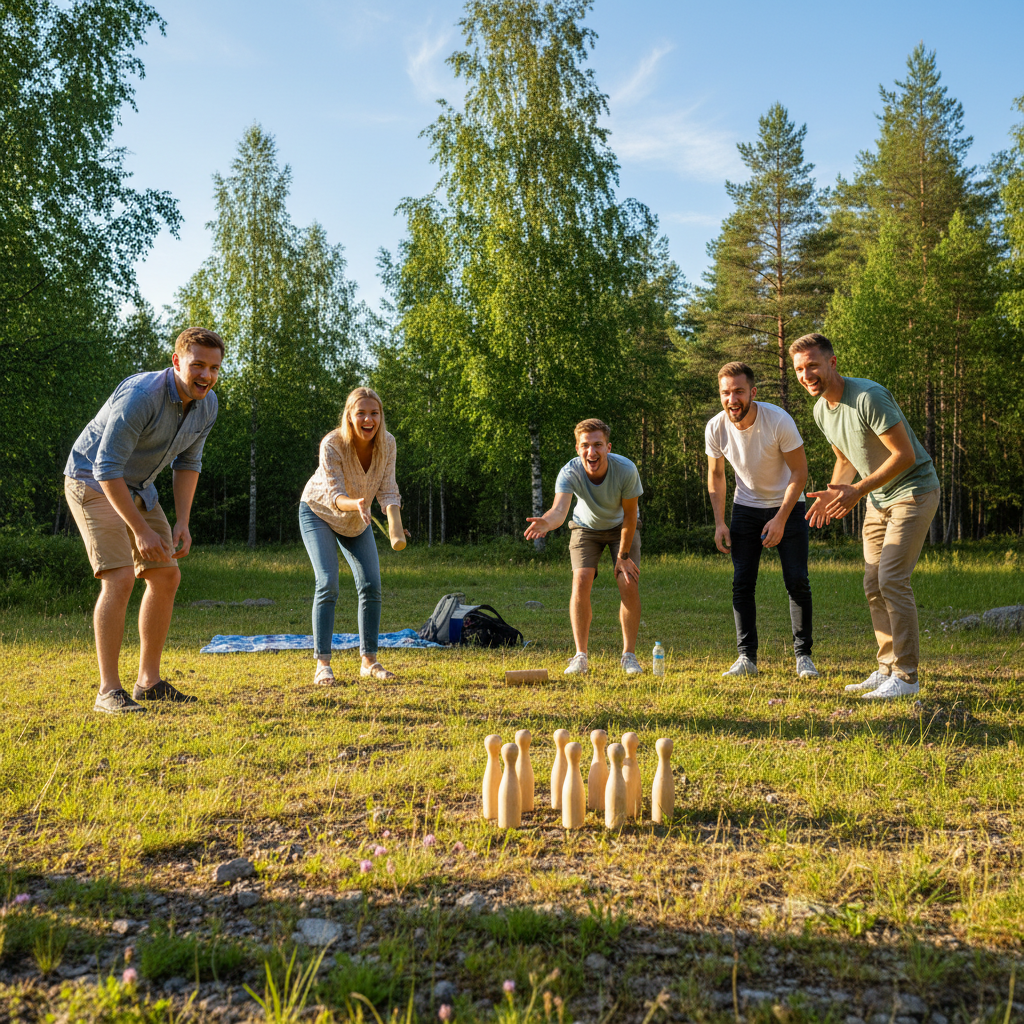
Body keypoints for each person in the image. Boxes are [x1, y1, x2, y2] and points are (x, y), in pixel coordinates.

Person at [64, 327, 224, 713]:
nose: (205, 375)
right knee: (119, 577)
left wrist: (182, 520)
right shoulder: (142, 395)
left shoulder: (208, 404)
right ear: (177, 362)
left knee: (166, 575)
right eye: (197, 365)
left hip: (139, 485)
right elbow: (105, 467)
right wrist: (139, 530)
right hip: (93, 479)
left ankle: (148, 683)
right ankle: (108, 691)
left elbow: (189, 462)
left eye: (214, 368)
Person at [790, 333, 940, 700]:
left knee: (891, 578)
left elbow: (904, 455)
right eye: (799, 369)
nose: (806, 374)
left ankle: (907, 678)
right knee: (872, 583)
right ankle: (886, 667)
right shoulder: (821, 410)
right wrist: (834, 492)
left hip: (914, 491)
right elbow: (844, 459)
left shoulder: (867, 397)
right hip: (877, 499)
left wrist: (857, 491)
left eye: (812, 365)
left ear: (832, 363)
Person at [706, 362, 817, 679]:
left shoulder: (778, 420)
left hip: (789, 504)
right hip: (746, 508)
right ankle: (746, 659)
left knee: (797, 580)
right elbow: (716, 476)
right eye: (726, 393)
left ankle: (803, 657)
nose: (732, 399)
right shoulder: (716, 428)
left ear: (752, 392)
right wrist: (719, 522)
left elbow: (800, 472)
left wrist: (781, 518)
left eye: (739, 391)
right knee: (742, 582)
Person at [524, 418, 644, 675]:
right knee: (581, 579)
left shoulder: (626, 469)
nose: (592, 451)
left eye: (598, 444)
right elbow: (559, 511)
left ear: (608, 447)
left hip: (622, 526)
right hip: (585, 528)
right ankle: (580, 657)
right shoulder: (569, 472)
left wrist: (623, 556)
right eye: (585, 445)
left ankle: (629, 656)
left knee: (628, 581)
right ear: (578, 449)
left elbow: (631, 516)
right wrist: (547, 522)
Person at [299, 387, 401, 684]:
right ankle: (322, 665)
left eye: (374, 413)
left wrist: (395, 522)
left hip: (359, 519)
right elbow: (334, 496)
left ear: (381, 417)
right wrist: (354, 503)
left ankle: (369, 661)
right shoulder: (332, 443)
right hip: (319, 512)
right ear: (349, 416)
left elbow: (388, 489)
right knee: (328, 582)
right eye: (361, 413)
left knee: (371, 584)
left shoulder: (388, 444)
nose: (368, 419)